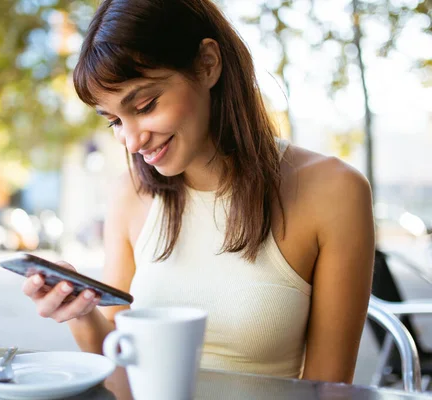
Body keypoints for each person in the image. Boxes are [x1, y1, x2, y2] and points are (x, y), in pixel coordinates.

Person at [23, 0, 375, 384]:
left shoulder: (334, 192)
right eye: (114, 121)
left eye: (145, 105)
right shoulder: (130, 194)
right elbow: (122, 373)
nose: (132, 140)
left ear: (208, 64)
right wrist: (81, 311)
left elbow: (328, 389)